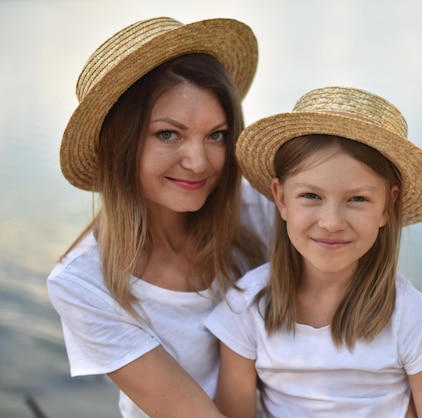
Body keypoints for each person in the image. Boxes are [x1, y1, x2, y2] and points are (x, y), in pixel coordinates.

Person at [47, 17, 273, 418]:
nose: (199, 162)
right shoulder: (85, 284)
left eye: (216, 135)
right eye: (168, 134)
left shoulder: (258, 207)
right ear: (120, 143)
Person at [205, 86, 422, 417]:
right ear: (281, 198)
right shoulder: (246, 309)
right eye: (311, 196)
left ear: (387, 207)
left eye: (358, 199)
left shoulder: (412, 316)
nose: (332, 222)